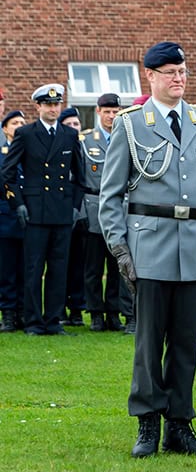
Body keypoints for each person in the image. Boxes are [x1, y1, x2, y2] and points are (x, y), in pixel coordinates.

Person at [98, 41, 196, 458]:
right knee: (149, 342)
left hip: (193, 245)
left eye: (183, 71)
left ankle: (179, 425)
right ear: (149, 75)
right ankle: (148, 423)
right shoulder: (132, 123)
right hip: (148, 245)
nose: (178, 78)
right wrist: (120, 249)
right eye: (169, 71)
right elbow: (111, 194)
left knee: (187, 341)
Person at [0, 84, 84, 336]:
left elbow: (80, 177)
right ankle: (34, 321)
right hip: (35, 211)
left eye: (56, 104)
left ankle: (54, 320)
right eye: (48, 104)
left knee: (59, 269)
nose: (53, 108)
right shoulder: (26, 133)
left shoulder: (69, 136)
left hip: (61, 211)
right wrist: (19, 204)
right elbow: (8, 173)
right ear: (38, 107)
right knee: (33, 269)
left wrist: (75, 207)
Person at [81, 93, 125, 332]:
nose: (111, 116)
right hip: (94, 206)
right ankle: (96, 312)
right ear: (98, 112)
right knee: (94, 267)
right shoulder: (86, 140)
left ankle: (113, 312)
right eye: (107, 112)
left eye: (115, 111)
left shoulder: (125, 137)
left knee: (117, 264)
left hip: (119, 208)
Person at [57, 107, 89, 327]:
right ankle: (58, 309)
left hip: (81, 213)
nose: (73, 128)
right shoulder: (57, 146)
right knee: (60, 264)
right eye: (68, 124)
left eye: (76, 124)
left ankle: (77, 308)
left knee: (80, 264)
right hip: (58, 214)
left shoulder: (85, 147)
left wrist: (77, 209)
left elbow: (82, 180)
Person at [0, 109, 26, 331]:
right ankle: (8, 313)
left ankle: (23, 312)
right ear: (5, 128)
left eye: (22, 122)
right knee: (7, 270)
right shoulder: (2, 153)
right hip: (6, 218)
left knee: (26, 269)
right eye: (14, 122)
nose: (19, 125)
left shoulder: (29, 152)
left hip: (28, 220)